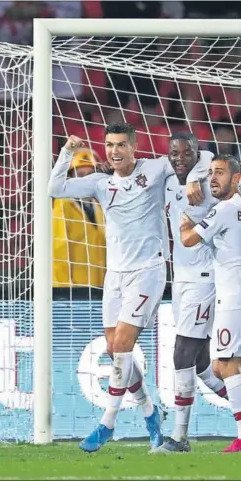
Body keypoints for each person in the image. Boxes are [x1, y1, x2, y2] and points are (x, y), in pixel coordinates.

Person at [48, 122, 204, 453]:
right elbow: (55, 188)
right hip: (114, 274)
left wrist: (192, 180)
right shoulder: (101, 184)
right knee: (113, 348)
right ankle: (151, 414)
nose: (115, 151)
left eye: (121, 145)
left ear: (134, 147)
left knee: (121, 345)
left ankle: (107, 423)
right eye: (109, 145)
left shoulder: (155, 168)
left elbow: (197, 157)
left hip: (148, 270)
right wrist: (66, 153)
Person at [154, 133, 228, 454]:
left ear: (196, 153)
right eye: (174, 153)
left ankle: (179, 438)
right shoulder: (169, 178)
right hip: (181, 278)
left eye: (187, 153)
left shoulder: (209, 176)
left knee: (181, 354)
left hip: (205, 277)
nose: (179, 157)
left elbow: (215, 158)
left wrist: (201, 174)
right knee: (200, 365)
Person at [180, 154, 241, 453]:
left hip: (233, 297)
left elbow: (188, 240)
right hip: (233, 293)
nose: (213, 178)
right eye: (211, 172)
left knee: (225, 366)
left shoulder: (226, 209)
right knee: (222, 366)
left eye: (220, 173)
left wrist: (184, 220)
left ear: (237, 179)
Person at [52, 147, 106, 288]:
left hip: (99, 286)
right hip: (74, 289)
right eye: (81, 174)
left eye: (90, 174)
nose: (86, 179)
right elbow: (59, 249)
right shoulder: (63, 205)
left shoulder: (98, 206)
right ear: (71, 177)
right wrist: (63, 288)